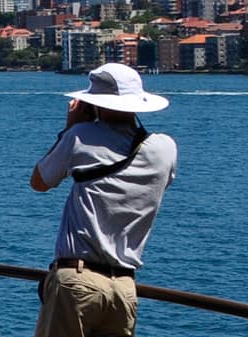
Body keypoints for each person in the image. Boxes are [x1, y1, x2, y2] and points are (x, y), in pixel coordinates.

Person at [29, 63, 177, 337]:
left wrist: (70, 128)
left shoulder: (80, 137)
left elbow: (39, 182)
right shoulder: (165, 148)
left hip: (78, 281)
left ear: (95, 103)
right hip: (124, 287)